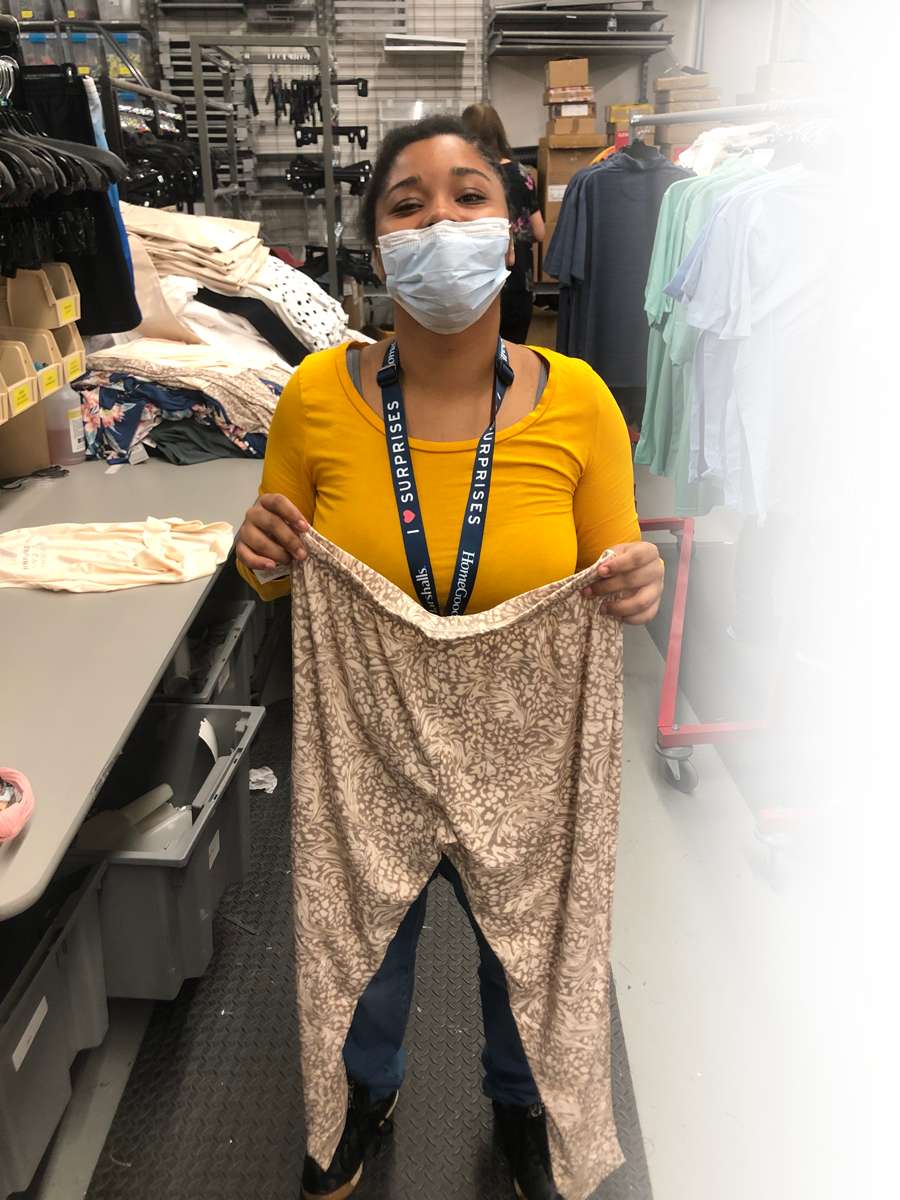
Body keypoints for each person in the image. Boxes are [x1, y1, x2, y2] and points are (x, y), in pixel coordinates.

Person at [236, 115, 664, 1200]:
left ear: (513, 230)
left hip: (524, 743)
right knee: (362, 943)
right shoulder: (315, 397)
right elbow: (274, 573)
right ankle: (359, 1092)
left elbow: (615, 571)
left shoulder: (579, 402)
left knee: (528, 948)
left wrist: (637, 583)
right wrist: (260, 554)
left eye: (469, 196)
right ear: (377, 246)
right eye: (408, 204)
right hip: (369, 730)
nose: (440, 221)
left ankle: (521, 1105)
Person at [462, 102, 544, 344]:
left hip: (474, 285)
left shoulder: (465, 177)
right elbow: (539, 231)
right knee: (512, 355)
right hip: (517, 282)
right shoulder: (521, 173)